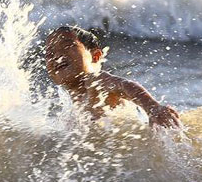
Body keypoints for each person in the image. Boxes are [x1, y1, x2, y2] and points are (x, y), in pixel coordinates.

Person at [44, 26, 181, 128]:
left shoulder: (94, 82)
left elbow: (123, 85)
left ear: (95, 56)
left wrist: (152, 107)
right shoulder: (71, 109)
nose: (57, 57)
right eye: (49, 53)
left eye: (67, 46)